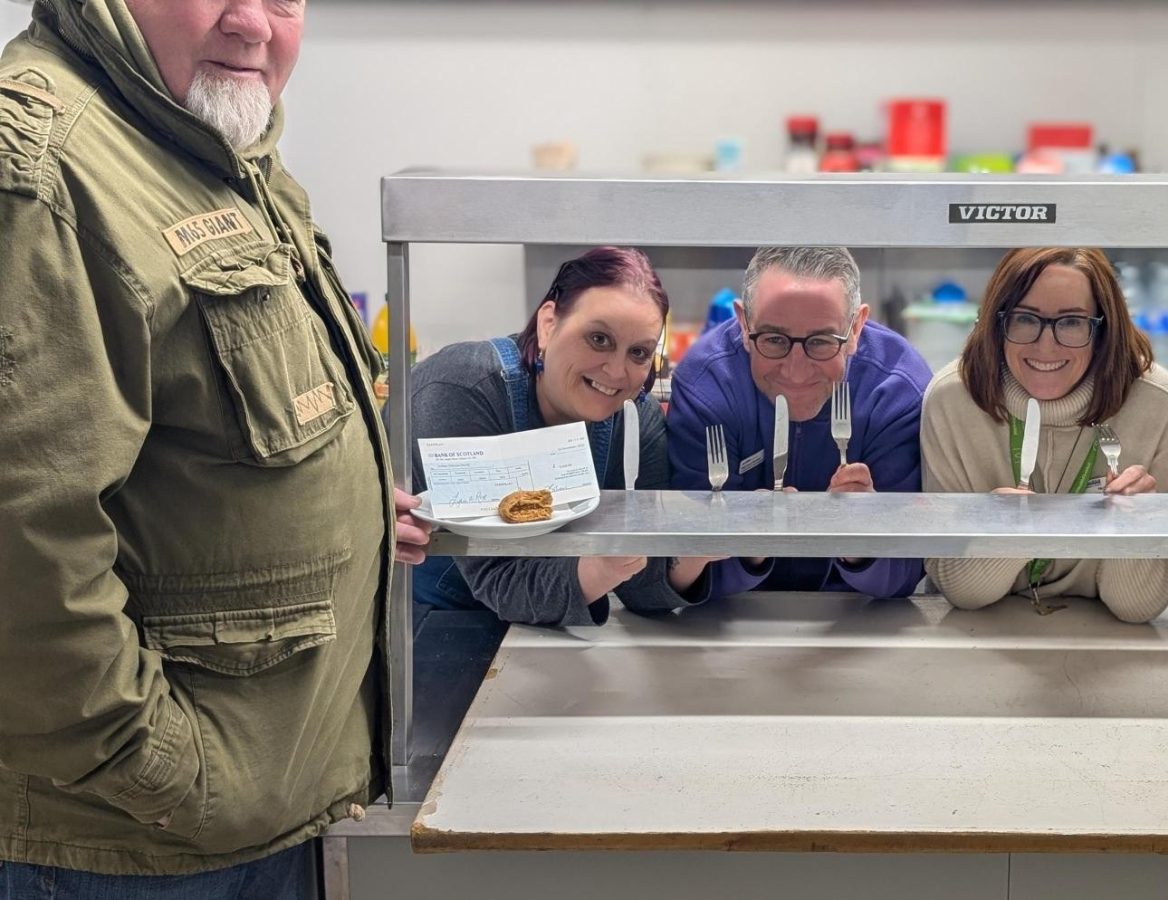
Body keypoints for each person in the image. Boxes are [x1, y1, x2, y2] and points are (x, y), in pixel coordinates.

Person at [0, 0, 430, 893]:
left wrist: (346, 505)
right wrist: (161, 772)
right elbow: (24, 543)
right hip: (134, 841)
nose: (254, 24)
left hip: (254, 806)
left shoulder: (205, 143)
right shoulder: (46, 171)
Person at [409, 247, 722, 627]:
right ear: (548, 324)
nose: (616, 371)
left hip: (542, 626)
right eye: (599, 339)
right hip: (434, 621)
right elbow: (499, 578)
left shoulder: (635, 422)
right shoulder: (463, 390)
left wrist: (698, 550)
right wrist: (600, 571)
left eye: (638, 352)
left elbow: (641, 586)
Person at [920, 247, 1168, 621]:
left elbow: (1137, 606)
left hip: (1112, 642)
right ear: (996, 323)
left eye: (1071, 322)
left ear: (1104, 329)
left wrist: (1131, 527)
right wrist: (1006, 531)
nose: (1046, 346)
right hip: (979, 633)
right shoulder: (952, 400)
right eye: (1024, 319)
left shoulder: (1162, 407)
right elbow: (962, 591)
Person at [668, 246, 932, 599]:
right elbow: (684, 570)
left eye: (821, 342)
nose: (795, 371)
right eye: (774, 340)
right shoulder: (707, 385)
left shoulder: (896, 389)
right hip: (733, 612)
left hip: (856, 612)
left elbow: (905, 573)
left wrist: (861, 541)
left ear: (855, 328)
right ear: (744, 324)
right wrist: (748, 546)